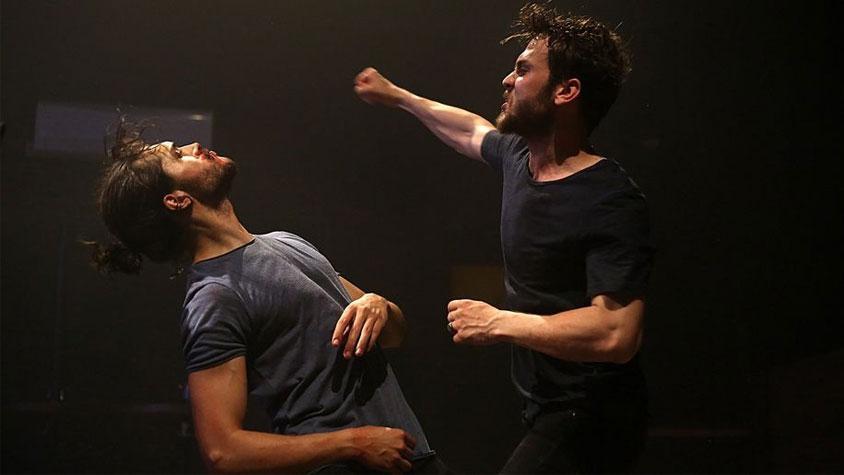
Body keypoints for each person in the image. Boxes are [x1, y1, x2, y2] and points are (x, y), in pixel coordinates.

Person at [354, 2, 653, 473]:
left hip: (595, 414)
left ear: (566, 91)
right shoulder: (519, 157)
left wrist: (498, 322)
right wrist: (399, 97)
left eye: (523, 70)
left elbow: (617, 332)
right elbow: (469, 129)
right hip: (547, 405)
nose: (508, 80)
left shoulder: (609, 198)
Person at [90, 119, 450, 474]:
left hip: (412, 458)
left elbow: (395, 334)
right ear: (177, 200)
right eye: (177, 155)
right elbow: (222, 452)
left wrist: (377, 303)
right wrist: (353, 443)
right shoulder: (213, 296)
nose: (193, 147)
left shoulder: (286, 242)